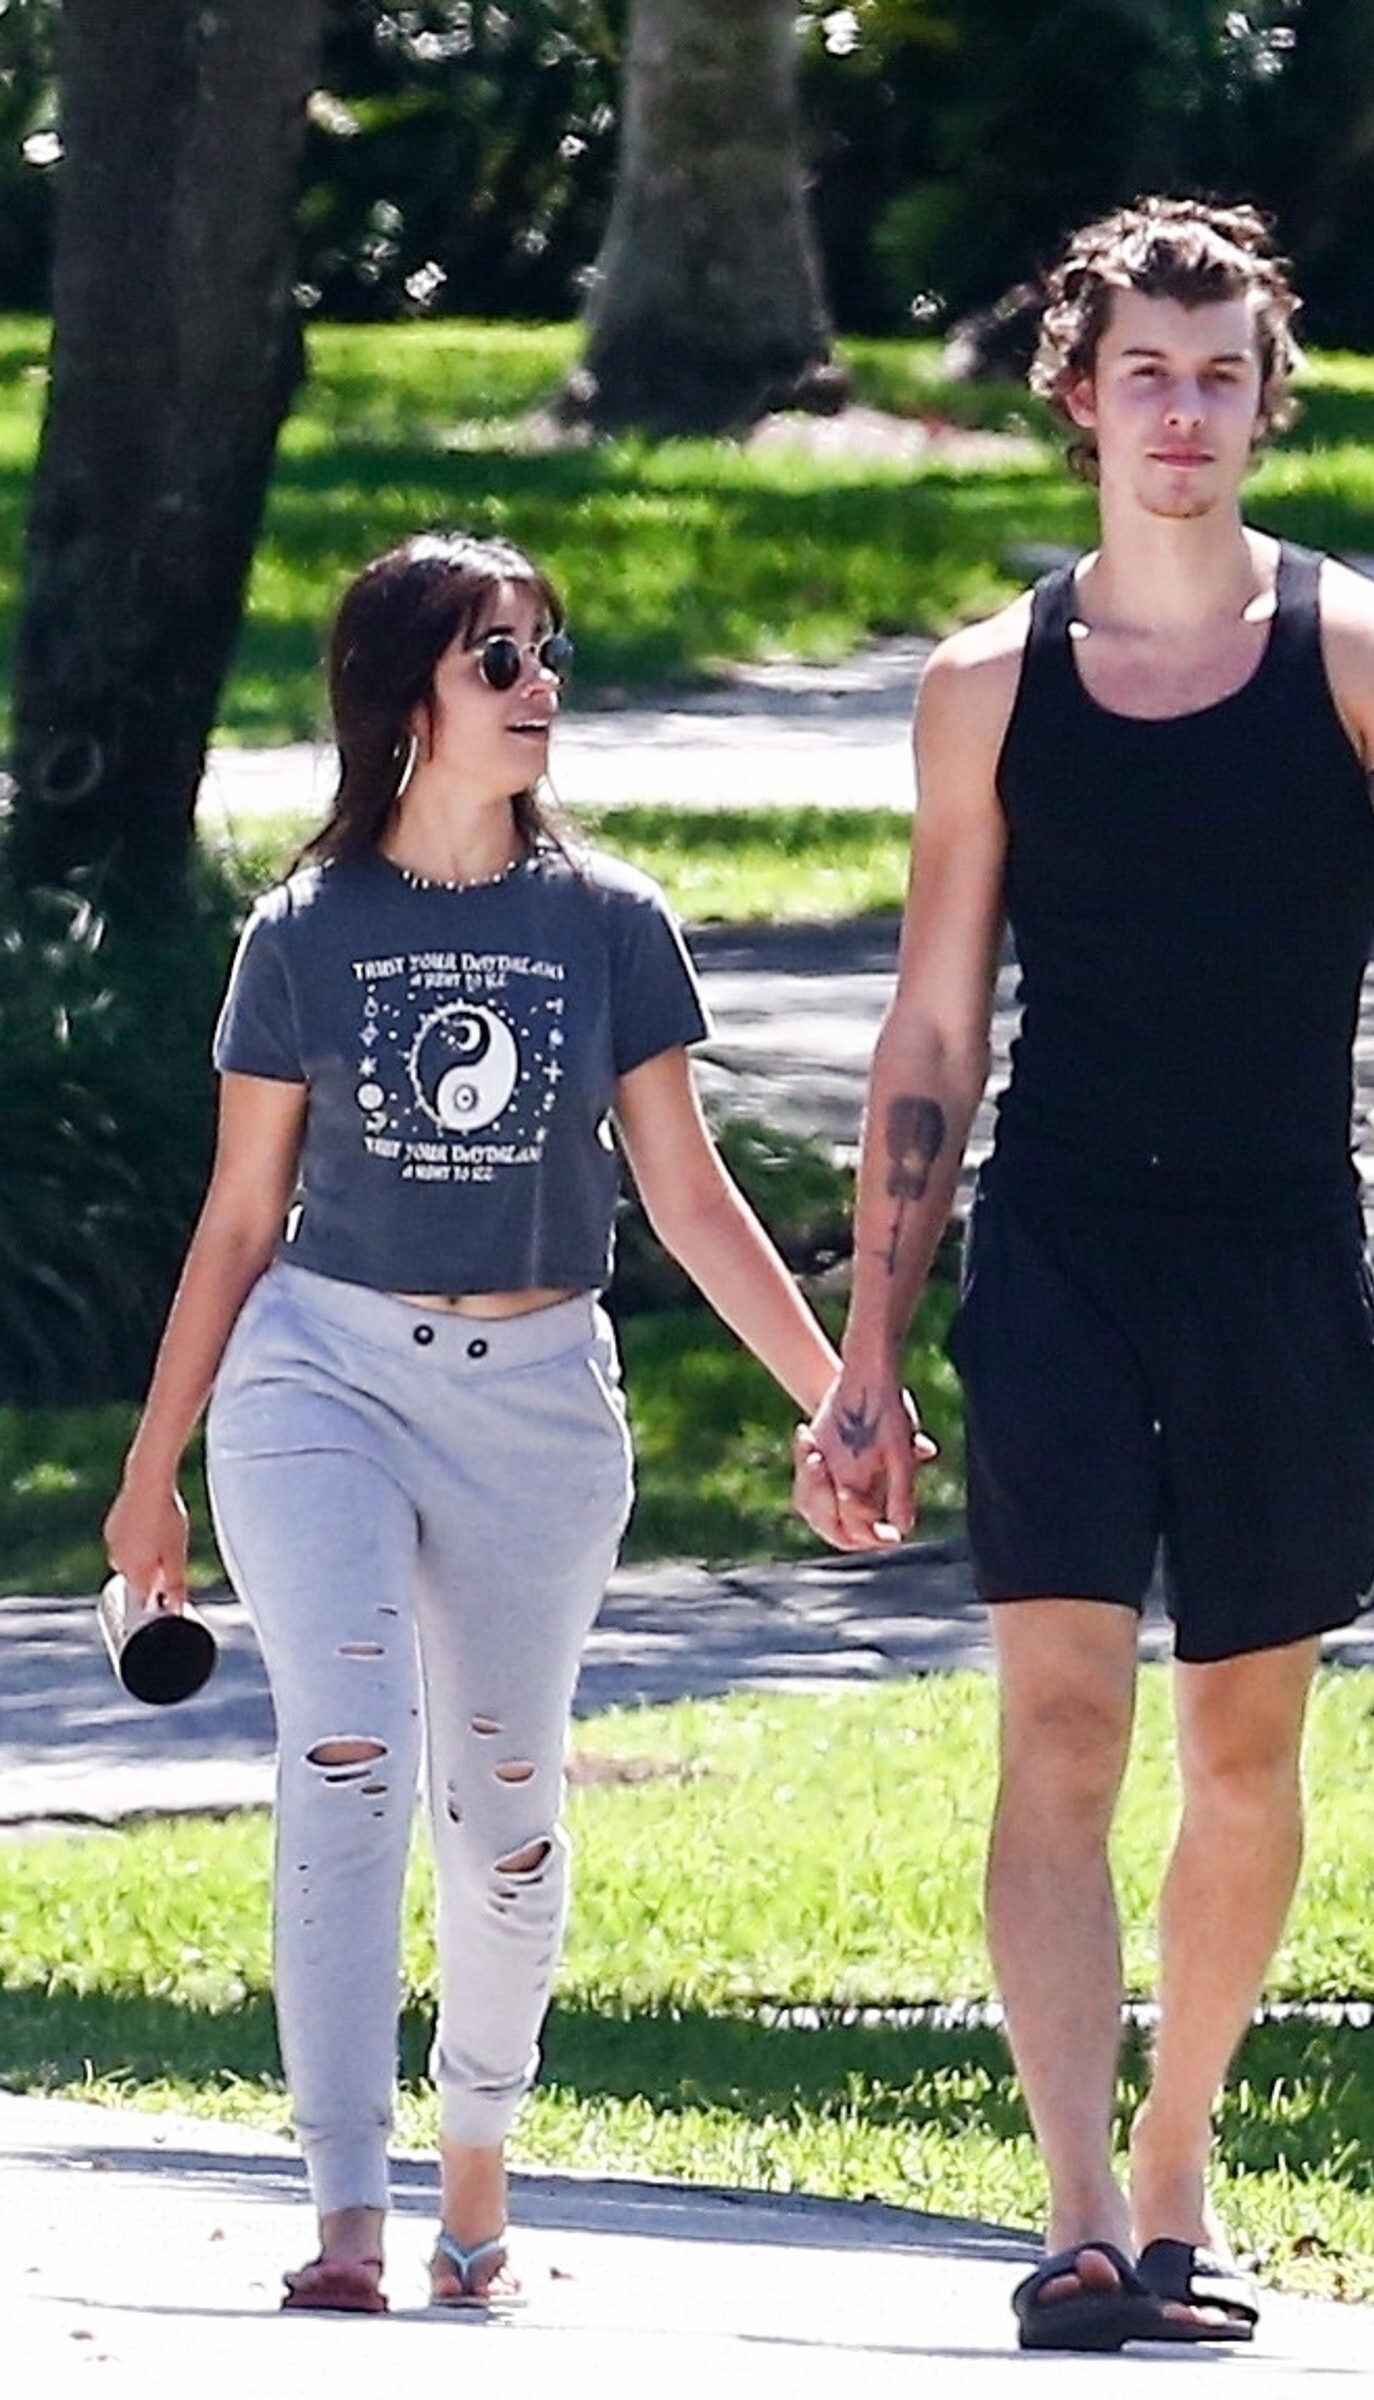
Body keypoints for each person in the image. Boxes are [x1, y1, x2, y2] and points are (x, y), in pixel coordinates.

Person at [794, 197, 1374, 2353]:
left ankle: (1181, 2160)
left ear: (1263, 400)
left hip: (1276, 1247)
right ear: (1079, 398)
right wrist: (866, 1345)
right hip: (1059, 1247)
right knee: (1056, 1720)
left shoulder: (1362, 648)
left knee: (1239, 1740)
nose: (1184, 414)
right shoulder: (986, 685)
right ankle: (1075, 2215)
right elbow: (932, 1031)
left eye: (1220, 377)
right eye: (1147, 376)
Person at [103, 529, 868, 2315]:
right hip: (324, 1374)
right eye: (497, 660)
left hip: (538, 1404)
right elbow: (239, 1218)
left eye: (548, 655)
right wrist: (151, 1474)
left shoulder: (607, 922)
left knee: (506, 1806)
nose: (539, 691)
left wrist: (835, 1396)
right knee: (348, 1748)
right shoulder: (306, 932)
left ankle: (475, 2183)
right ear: (408, 704)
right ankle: (343, 2210)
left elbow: (686, 1197)